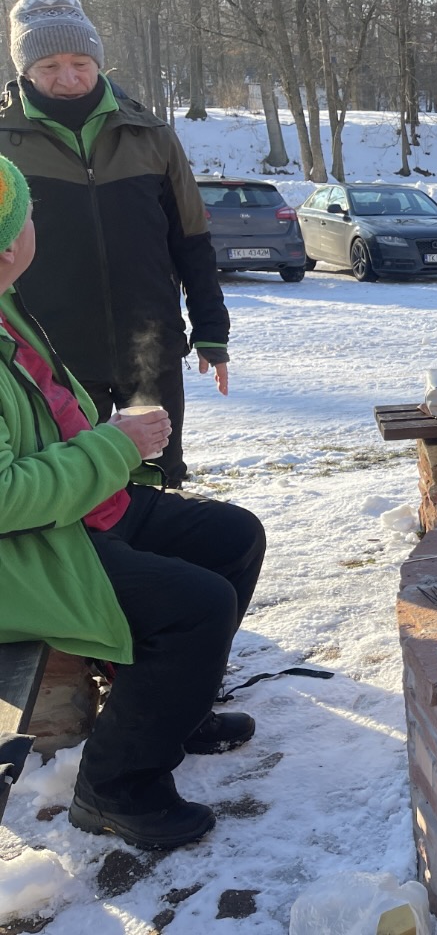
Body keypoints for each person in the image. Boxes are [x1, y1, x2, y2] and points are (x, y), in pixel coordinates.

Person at [0, 154, 266, 851]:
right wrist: (115, 446)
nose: (35, 224)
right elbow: (4, 498)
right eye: (27, 215)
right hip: (28, 551)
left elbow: (43, 418)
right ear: (9, 247)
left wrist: (108, 435)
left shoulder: (5, 302)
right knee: (196, 605)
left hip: (81, 508)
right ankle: (115, 789)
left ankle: (173, 707)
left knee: (235, 537)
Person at [1, 0, 230, 489]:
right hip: (49, 355)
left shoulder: (149, 133)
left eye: (80, 63)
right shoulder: (3, 141)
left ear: (98, 62)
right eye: (49, 66)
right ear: (25, 70)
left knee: (158, 477)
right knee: (73, 484)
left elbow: (191, 239)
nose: (68, 79)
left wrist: (212, 330)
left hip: (149, 347)